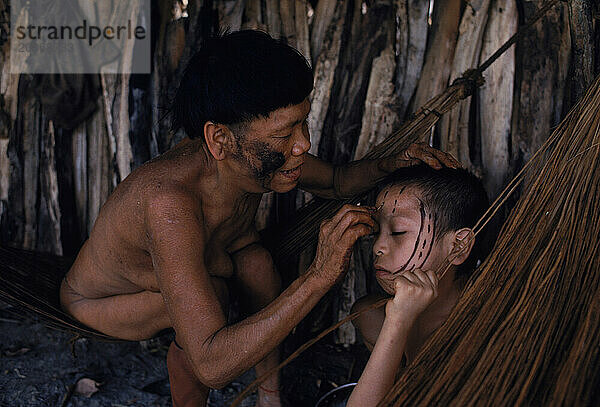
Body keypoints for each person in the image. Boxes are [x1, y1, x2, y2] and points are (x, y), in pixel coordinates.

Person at [59, 30, 459, 407]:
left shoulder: (260, 159)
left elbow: (337, 181)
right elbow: (212, 367)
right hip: (104, 301)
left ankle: (269, 396)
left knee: (257, 263)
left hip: (208, 263)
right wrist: (317, 278)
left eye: (303, 123)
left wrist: (392, 163)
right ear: (220, 141)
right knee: (212, 300)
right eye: (286, 133)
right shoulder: (169, 203)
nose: (303, 144)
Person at [347, 165, 489, 406]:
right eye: (377, 231)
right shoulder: (372, 317)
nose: (377, 247)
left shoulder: (479, 326)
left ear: (458, 247)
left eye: (398, 231)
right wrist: (397, 321)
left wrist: (399, 320)